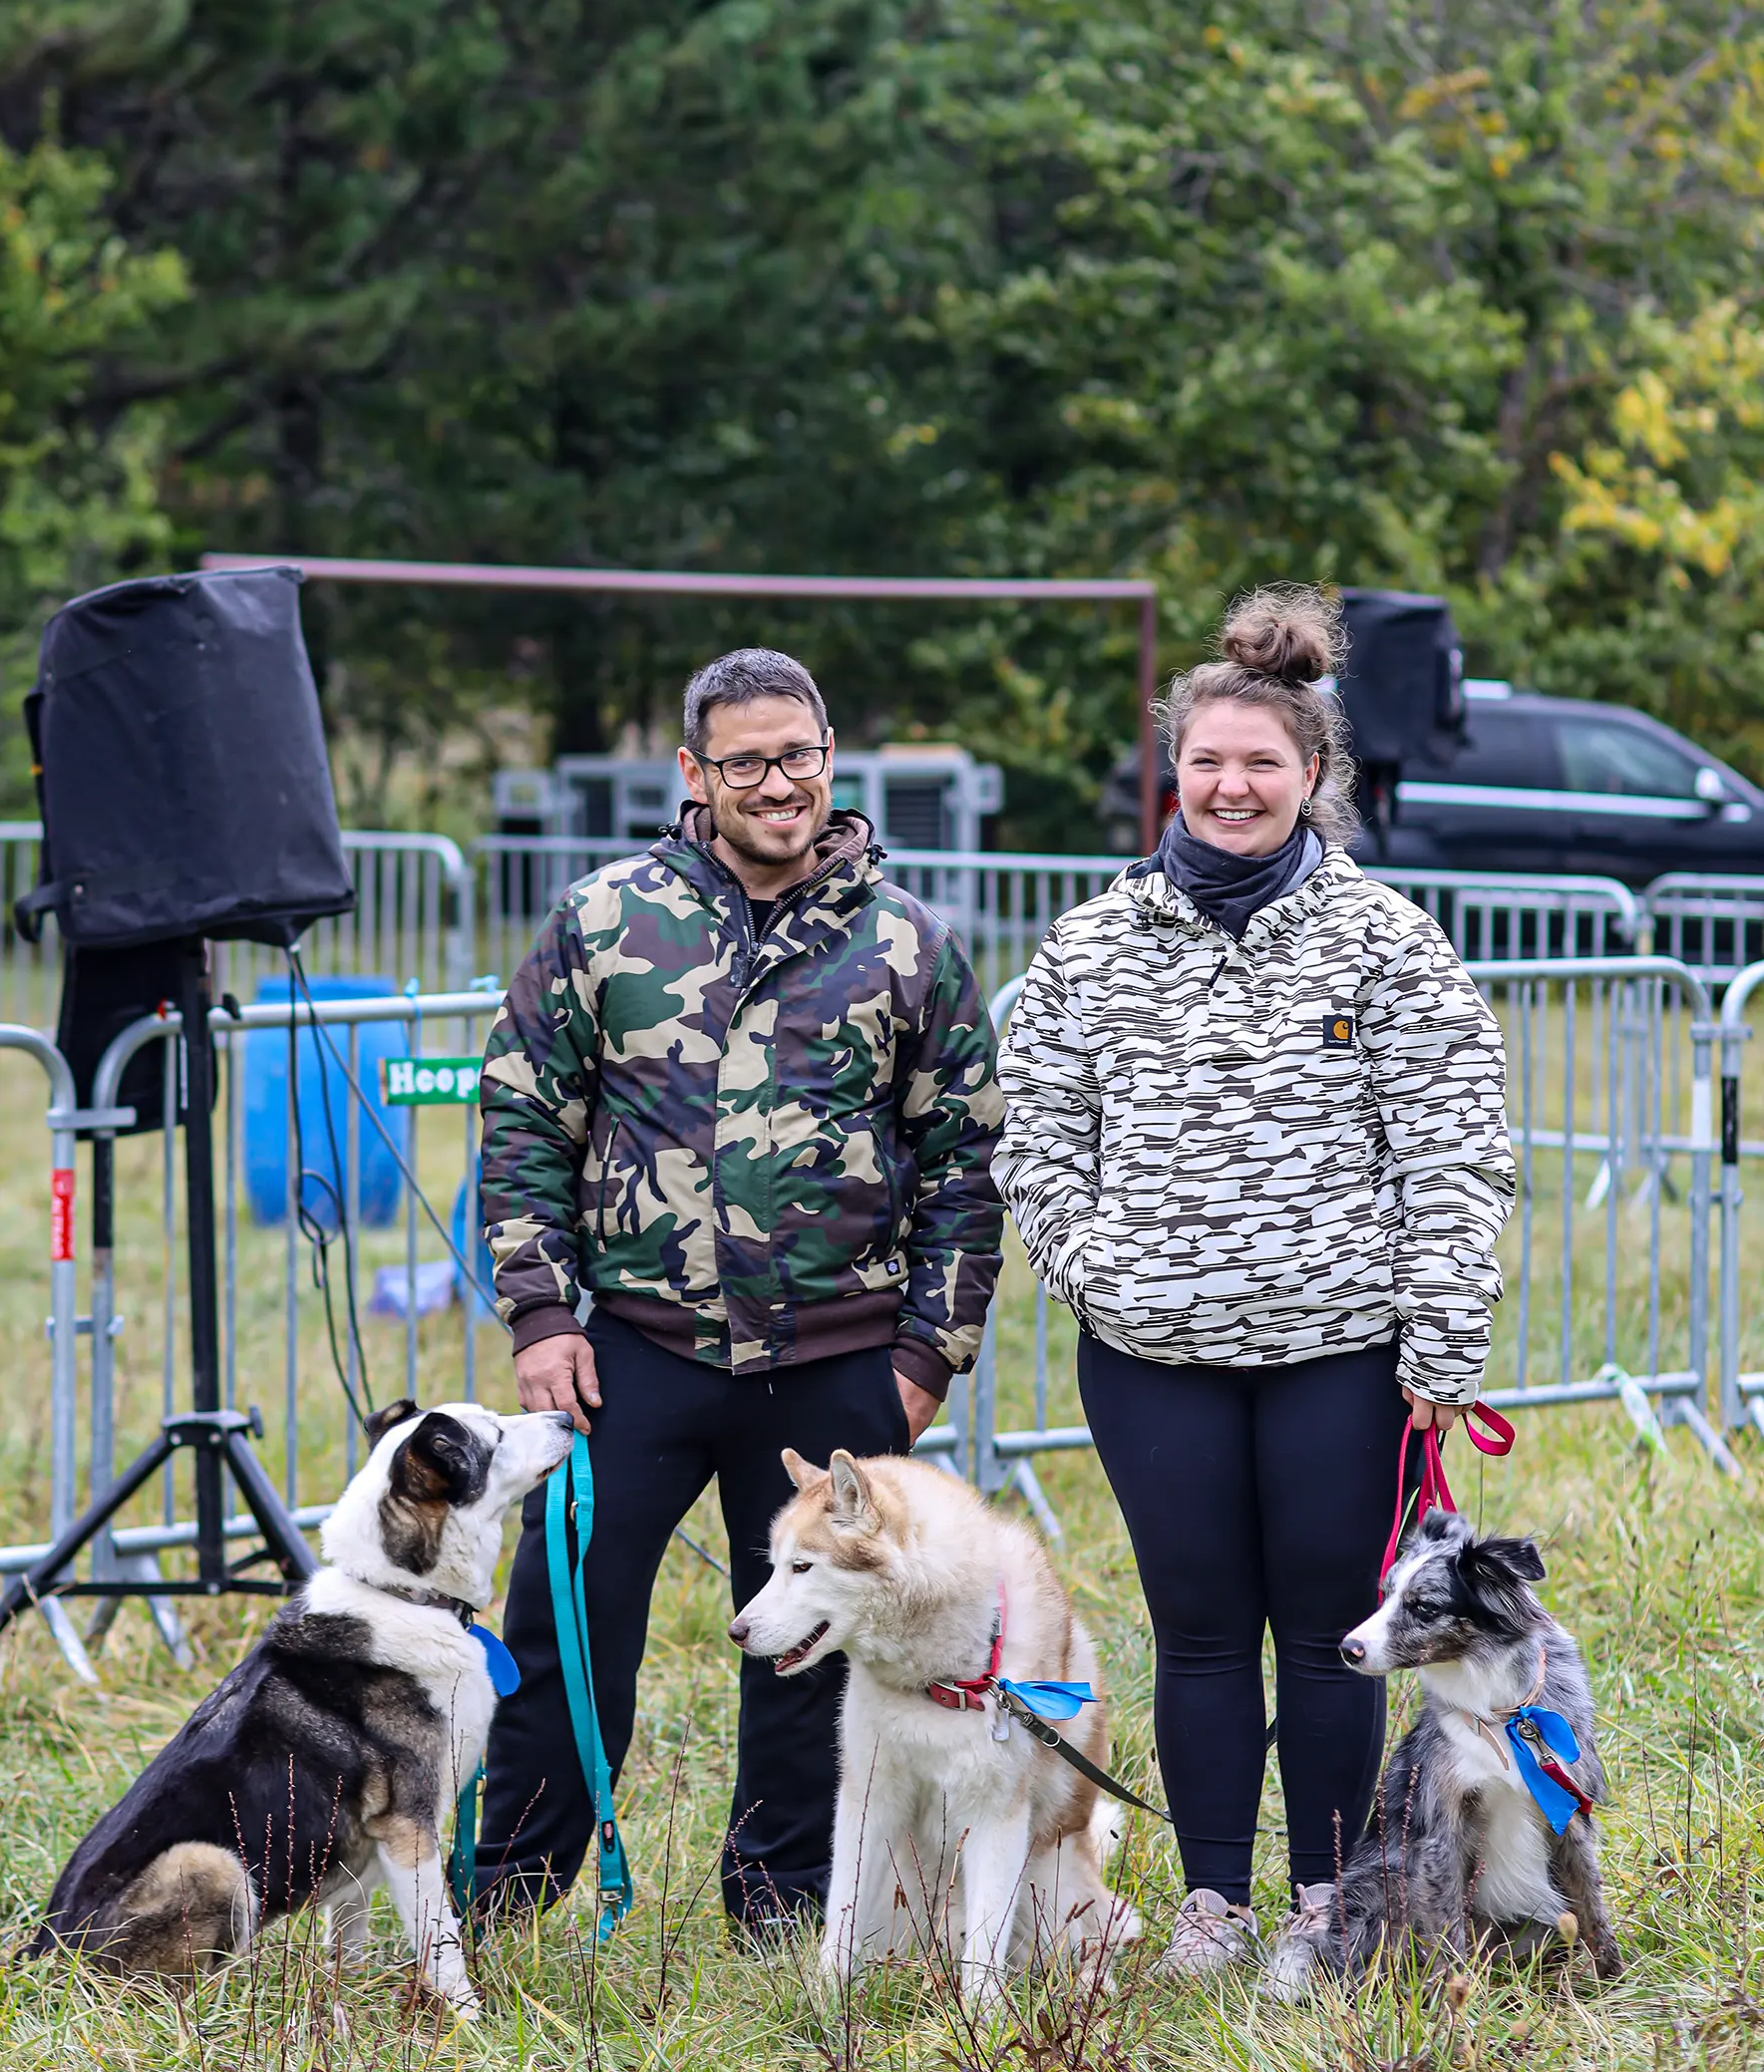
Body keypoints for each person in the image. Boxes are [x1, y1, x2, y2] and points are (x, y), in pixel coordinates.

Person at [993, 585, 1514, 1979]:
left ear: (1312, 780)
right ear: (1178, 772)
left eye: (1262, 765)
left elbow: (1456, 1148)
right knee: (1202, 1635)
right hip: (1152, 1357)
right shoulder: (1094, 946)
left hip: (1340, 1357)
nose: (1232, 787)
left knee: (1332, 1636)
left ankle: (1324, 1904)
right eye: (1209, 763)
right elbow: (1032, 1136)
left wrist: (1441, 1345)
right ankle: (1214, 1905)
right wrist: (1094, 1264)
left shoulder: (1385, 943)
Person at [472, 646, 1005, 1933]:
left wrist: (928, 1356)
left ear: (832, 756)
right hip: (633, 1354)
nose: (780, 784)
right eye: (749, 761)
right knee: (565, 1627)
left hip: (837, 1360)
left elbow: (969, 1161)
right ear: (694, 772)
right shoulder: (605, 924)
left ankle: (787, 1895)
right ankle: (512, 1886)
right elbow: (521, 1122)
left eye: (801, 755)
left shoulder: (910, 944)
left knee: (817, 1647)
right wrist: (542, 1318)